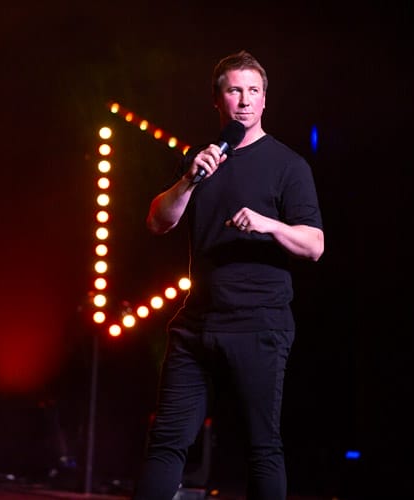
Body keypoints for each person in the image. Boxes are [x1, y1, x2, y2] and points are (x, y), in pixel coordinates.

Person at [132, 50, 325, 500]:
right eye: (235, 91)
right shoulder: (200, 159)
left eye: (253, 91)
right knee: (166, 443)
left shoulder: (288, 165)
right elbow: (158, 221)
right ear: (217, 100)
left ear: (265, 100)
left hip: (258, 323)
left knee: (262, 447)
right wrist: (189, 179)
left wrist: (269, 224)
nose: (245, 100)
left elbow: (314, 245)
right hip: (197, 324)